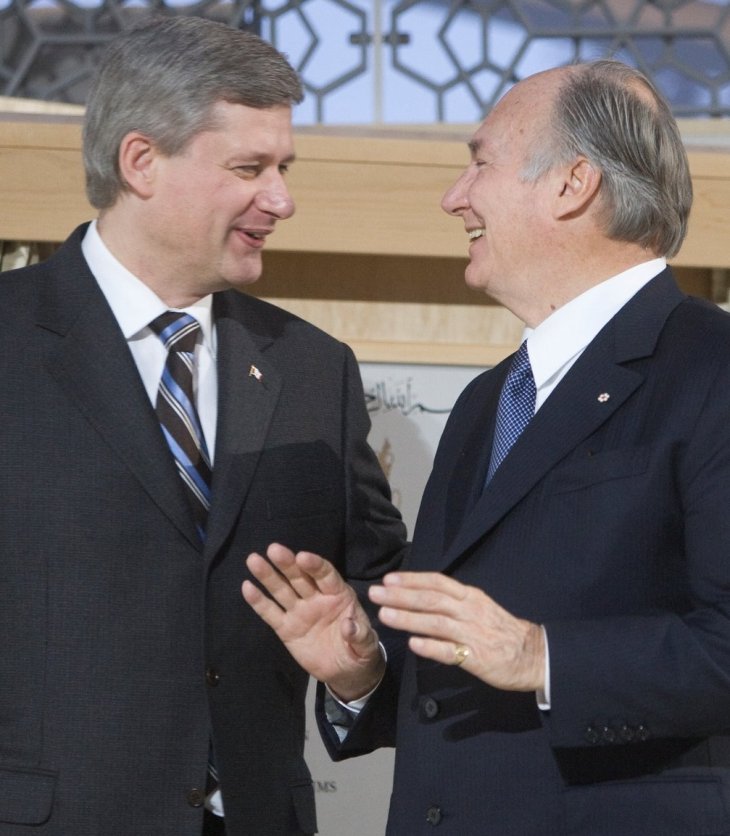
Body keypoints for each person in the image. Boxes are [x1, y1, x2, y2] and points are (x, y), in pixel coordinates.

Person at [244, 59, 730, 834]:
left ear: (573, 185)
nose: (454, 197)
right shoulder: (488, 401)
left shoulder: (713, 368)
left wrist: (544, 657)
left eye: (480, 162)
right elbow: (462, 661)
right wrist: (363, 667)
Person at [0, 16, 406, 836]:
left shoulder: (315, 370)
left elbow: (378, 589)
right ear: (141, 161)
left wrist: (361, 664)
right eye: (250, 168)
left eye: (284, 168)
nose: (282, 200)